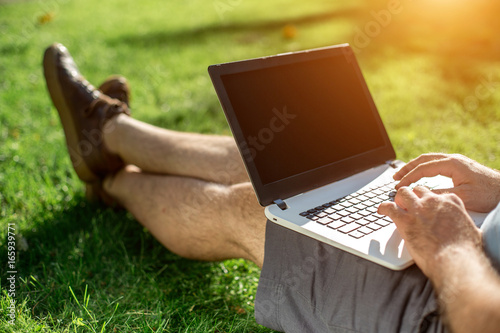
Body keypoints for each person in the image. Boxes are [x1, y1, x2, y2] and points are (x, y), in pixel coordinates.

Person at [43, 43, 500, 333]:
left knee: (251, 210)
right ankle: (108, 134)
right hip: (475, 250)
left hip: (447, 306)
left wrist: (453, 249)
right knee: (284, 171)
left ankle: (113, 179)